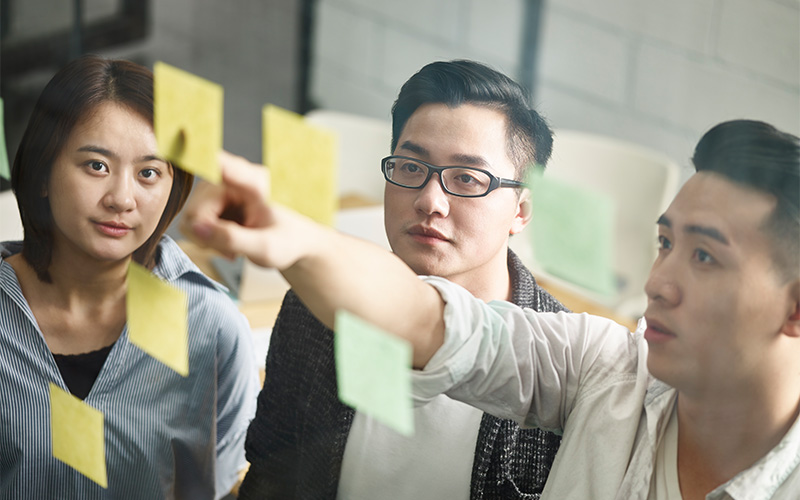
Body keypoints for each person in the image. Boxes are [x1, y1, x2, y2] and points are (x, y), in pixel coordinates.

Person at [182, 118, 800, 499]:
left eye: (707, 258)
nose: (660, 281)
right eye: (666, 244)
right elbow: (428, 320)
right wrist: (295, 238)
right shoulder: (605, 368)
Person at [238, 60, 566, 499]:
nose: (431, 201)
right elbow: (269, 477)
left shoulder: (560, 364)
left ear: (521, 210)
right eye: (411, 168)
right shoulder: (319, 306)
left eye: (467, 179)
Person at [0, 55, 259, 499]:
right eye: (96, 165)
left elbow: (216, 486)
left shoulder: (211, 327)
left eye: (149, 174)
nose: (122, 198)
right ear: (42, 173)